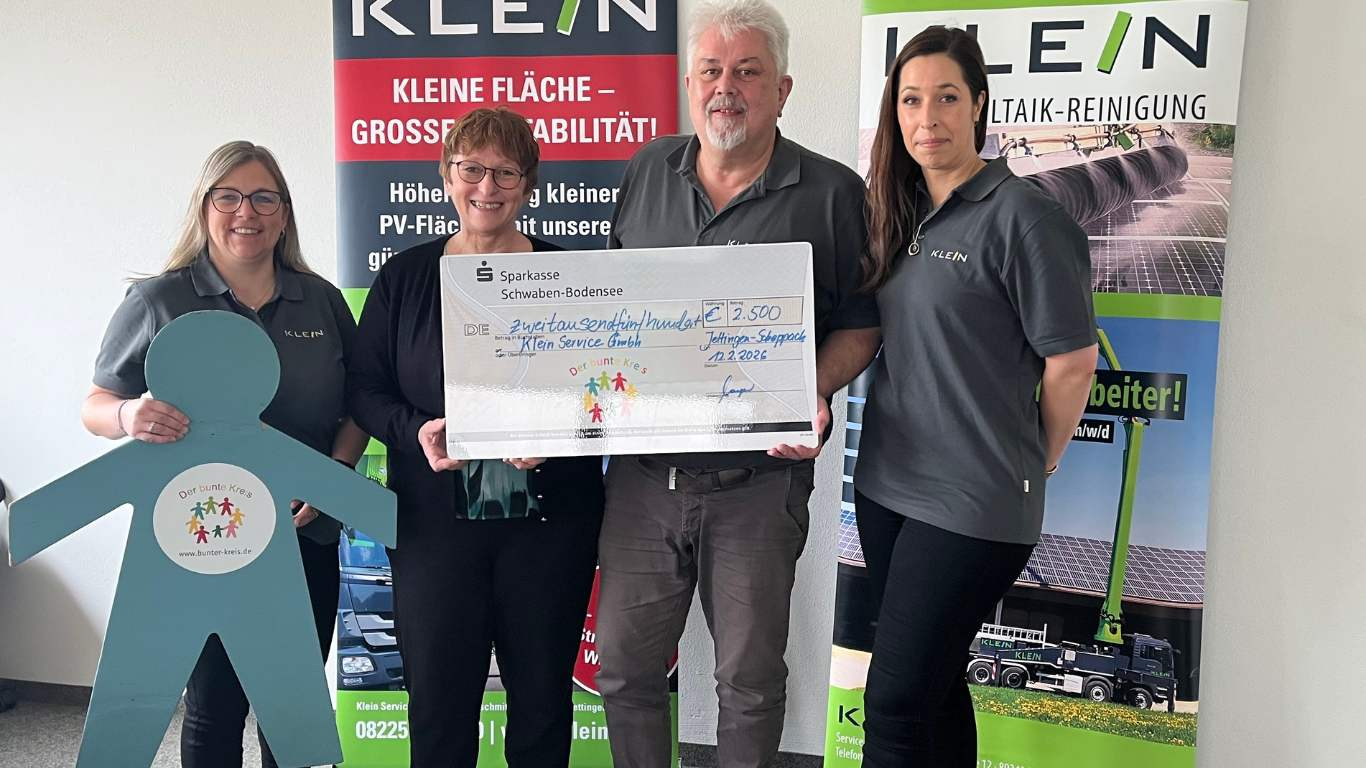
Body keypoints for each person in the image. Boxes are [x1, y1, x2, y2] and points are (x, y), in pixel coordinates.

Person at [593, 2, 882, 766]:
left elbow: (862, 325)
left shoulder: (832, 193)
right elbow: (609, 311)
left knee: (748, 683)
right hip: (643, 481)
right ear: (690, 85)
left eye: (748, 72)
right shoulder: (646, 172)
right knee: (623, 670)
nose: (727, 88)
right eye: (712, 71)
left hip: (758, 483)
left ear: (781, 90)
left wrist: (811, 389)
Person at [854, 26, 1098, 766]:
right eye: (911, 100)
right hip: (887, 486)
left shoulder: (1026, 217)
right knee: (932, 689)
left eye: (947, 98)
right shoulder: (896, 210)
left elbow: (1073, 363)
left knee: (893, 703)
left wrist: (1039, 457)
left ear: (980, 104)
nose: (927, 118)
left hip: (974, 499)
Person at [80, 140, 368, 768]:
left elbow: (359, 409)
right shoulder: (159, 300)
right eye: (229, 197)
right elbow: (97, 404)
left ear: (284, 214)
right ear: (204, 207)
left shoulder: (320, 301)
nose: (247, 213)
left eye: (264, 198)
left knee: (290, 708)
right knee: (214, 708)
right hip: (202, 539)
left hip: (302, 535)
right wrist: (128, 415)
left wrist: (334, 474)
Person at [346, 107, 605, 768]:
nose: (487, 187)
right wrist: (415, 430)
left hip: (550, 525)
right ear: (446, 174)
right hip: (433, 525)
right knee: (437, 704)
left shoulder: (571, 277)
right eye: (472, 169)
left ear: (528, 185)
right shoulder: (404, 277)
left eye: (506, 172)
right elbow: (365, 390)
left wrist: (562, 434)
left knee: (542, 704)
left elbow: (606, 386)